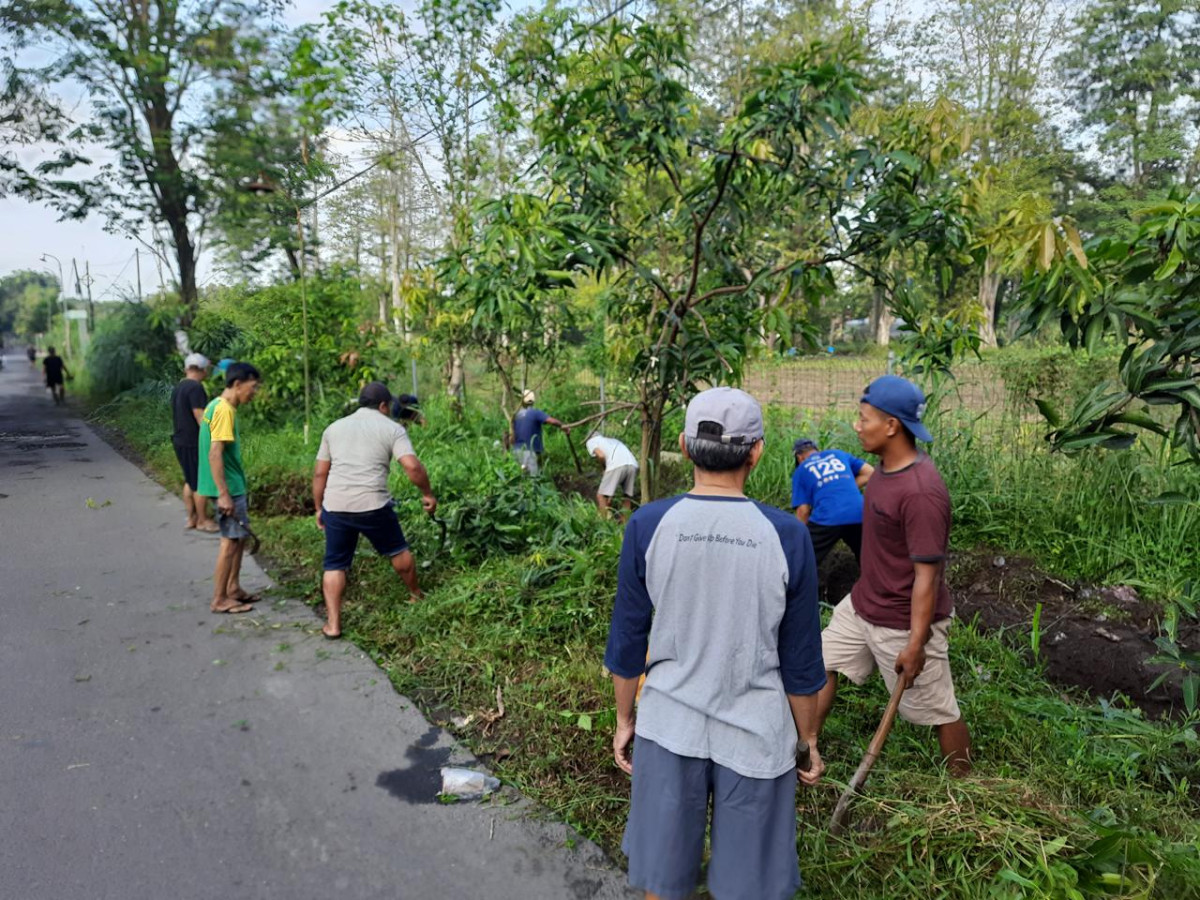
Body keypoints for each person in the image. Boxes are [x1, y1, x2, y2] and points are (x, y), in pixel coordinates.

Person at [605, 386, 826, 900]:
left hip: (668, 726)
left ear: (684, 447)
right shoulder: (786, 536)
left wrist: (624, 720)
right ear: (757, 452)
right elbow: (801, 660)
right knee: (745, 887)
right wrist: (806, 739)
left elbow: (627, 641)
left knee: (661, 879)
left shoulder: (648, 525)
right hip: (757, 735)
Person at [815, 375, 972, 775]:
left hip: (903, 620)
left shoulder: (921, 493)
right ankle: (806, 746)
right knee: (818, 664)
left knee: (937, 709)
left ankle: (967, 787)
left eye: (863, 417)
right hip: (864, 602)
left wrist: (917, 643)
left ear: (891, 426)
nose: (856, 424)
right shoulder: (883, 468)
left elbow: (927, 577)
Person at [312, 382, 438, 639]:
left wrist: (319, 508)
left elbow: (319, 472)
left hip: (336, 505)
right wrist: (427, 494)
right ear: (383, 405)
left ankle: (333, 625)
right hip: (373, 505)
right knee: (397, 550)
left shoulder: (333, 428)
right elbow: (413, 467)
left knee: (335, 563)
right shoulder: (392, 428)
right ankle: (415, 594)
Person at [196, 362, 261, 614]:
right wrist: (223, 494)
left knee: (238, 538)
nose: (254, 392)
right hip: (228, 488)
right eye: (252, 387)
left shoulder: (216, 406)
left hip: (229, 485)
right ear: (237, 384)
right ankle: (219, 599)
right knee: (230, 541)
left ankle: (233, 589)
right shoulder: (223, 410)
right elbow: (215, 453)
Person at [790, 438, 874, 565]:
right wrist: (843, 487)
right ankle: (876, 582)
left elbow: (803, 511)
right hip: (858, 513)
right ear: (818, 450)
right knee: (868, 558)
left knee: (803, 559)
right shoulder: (838, 454)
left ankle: (795, 582)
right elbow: (870, 472)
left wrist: (799, 540)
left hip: (827, 517)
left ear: (799, 457)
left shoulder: (801, 469)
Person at [171, 353, 218, 533]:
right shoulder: (196, 388)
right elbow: (201, 416)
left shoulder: (179, 387)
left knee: (190, 480)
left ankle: (191, 518)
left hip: (180, 439)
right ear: (203, 370)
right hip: (194, 441)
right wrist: (213, 437)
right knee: (200, 481)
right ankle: (203, 520)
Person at [511, 390, 568, 476]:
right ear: (533, 401)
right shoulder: (535, 412)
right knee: (533, 479)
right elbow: (551, 421)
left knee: (521, 479)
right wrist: (563, 426)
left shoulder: (516, 415)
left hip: (516, 451)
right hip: (529, 452)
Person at [585, 433, 639, 516]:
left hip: (616, 464)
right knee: (627, 497)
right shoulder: (612, 441)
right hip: (633, 464)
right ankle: (625, 524)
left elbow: (601, 455)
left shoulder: (591, 441)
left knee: (601, 496)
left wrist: (604, 467)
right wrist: (609, 499)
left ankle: (604, 524)